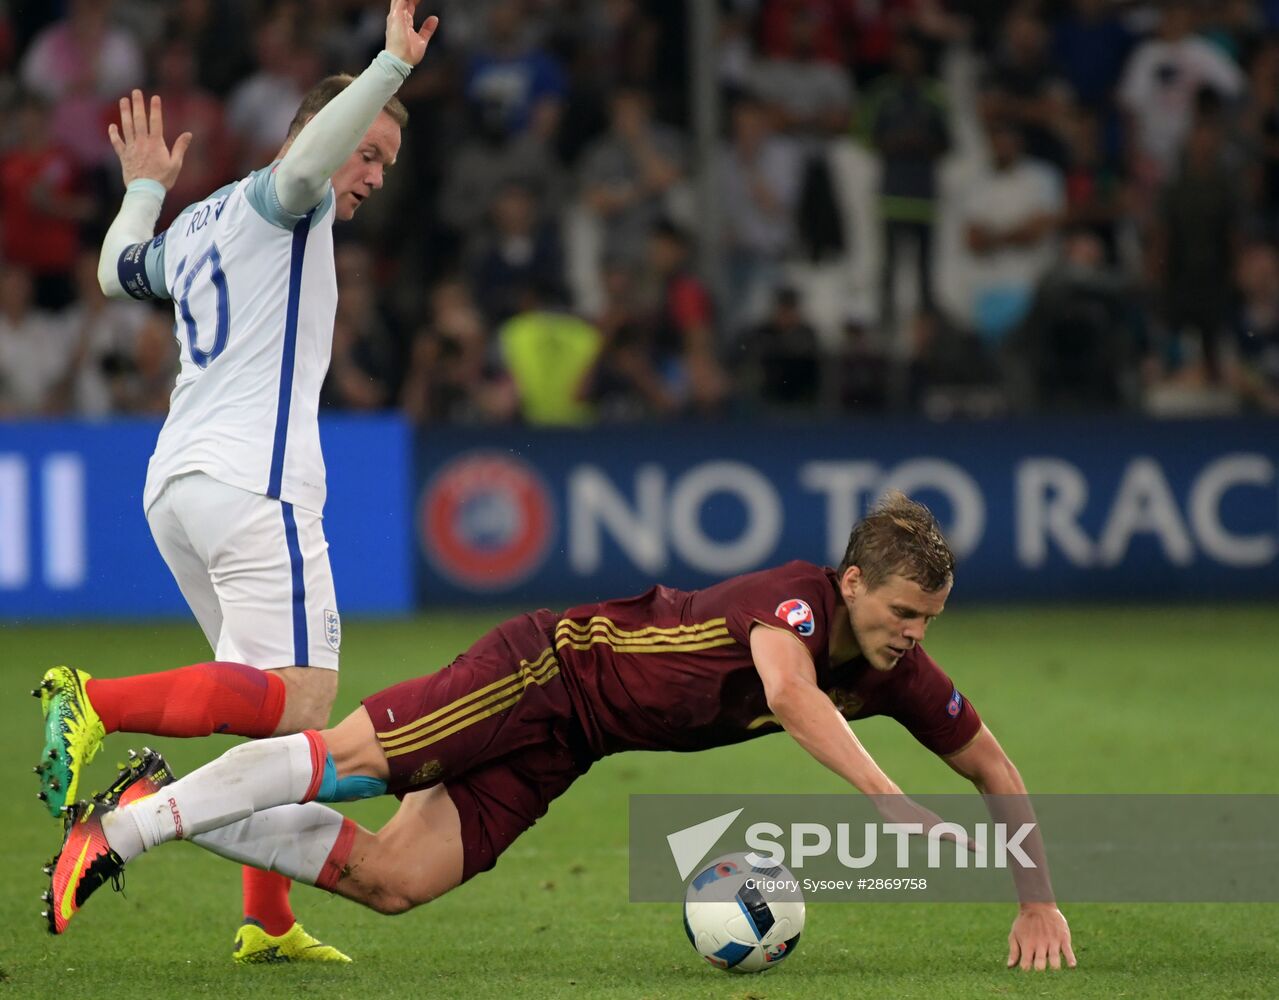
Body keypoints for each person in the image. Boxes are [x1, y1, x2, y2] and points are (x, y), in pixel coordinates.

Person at [48, 493, 1076, 972]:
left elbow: (991, 764)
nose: (912, 635)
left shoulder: (898, 669)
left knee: (397, 881)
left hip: (573, 740)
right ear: (853, 582)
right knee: (351, 756)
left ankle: (150, 799)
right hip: (546, 666)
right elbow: (791, 692)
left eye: (927, 621)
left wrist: (1036, 901)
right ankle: (123, 836)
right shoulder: (798, 602)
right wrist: (887, 799)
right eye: (901, 612)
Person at [33, 0, 439, 966]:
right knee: (304, 700)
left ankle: (267, 918)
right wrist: (387, 69)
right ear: (320, 131)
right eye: (369, 153)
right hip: (254, 483)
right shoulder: (278, 194)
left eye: (386, 161)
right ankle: (94, 701)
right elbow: (305, 164)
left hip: (179, 484)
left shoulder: (199, 222)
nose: (375, 176)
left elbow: (116, 272)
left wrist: (140, 189)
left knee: (266, 718)